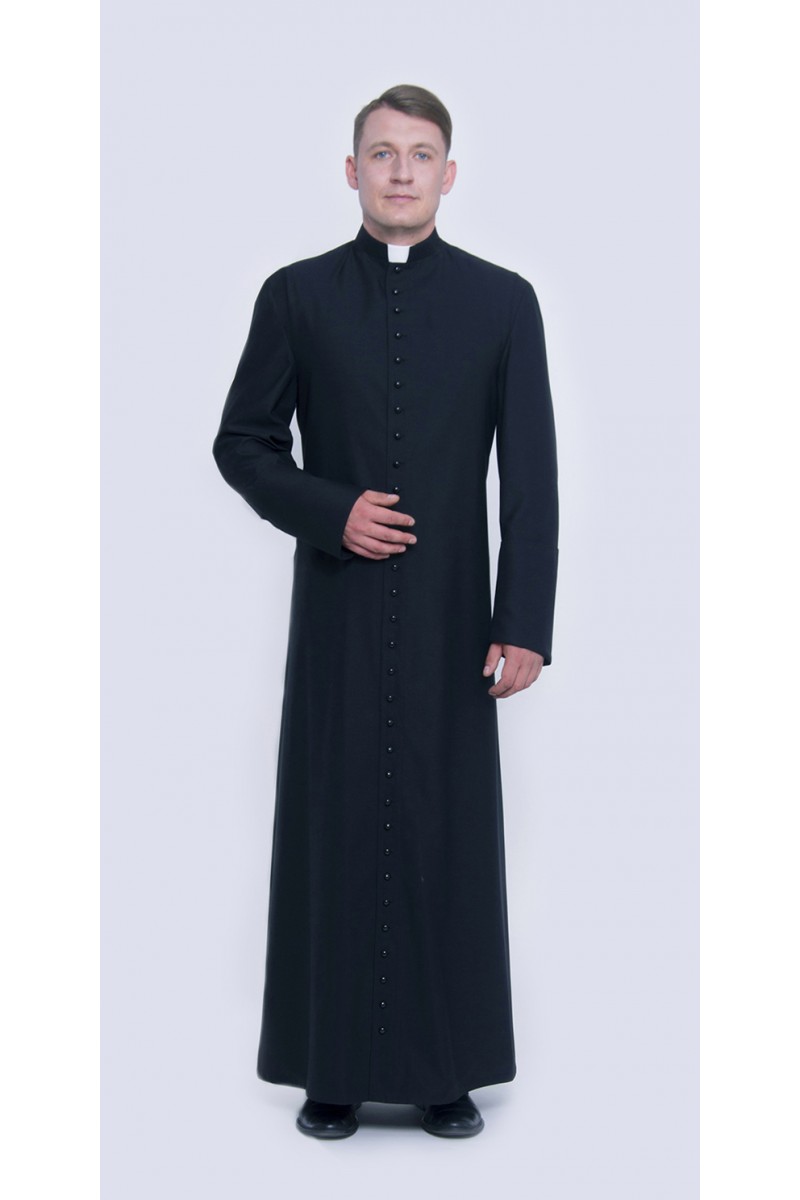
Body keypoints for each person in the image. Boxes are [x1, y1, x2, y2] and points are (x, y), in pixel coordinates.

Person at [212, 84, 559, 1140]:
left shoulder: (504, 302)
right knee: (335, 825)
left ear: (448, 174)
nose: (400, 171)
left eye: (419, 154)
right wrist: (331, 511)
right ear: (351, 170)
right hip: (338, 617)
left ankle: (446, 1071)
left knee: (448, 835)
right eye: (380, 153)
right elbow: (242, 442)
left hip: (455, 620)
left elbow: (531, 478)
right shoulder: (296, 296)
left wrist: (523, 620)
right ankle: (331, 1069)